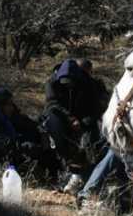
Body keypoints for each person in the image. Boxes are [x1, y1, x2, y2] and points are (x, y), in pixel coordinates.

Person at [42, 59, 104, 194]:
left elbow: (94, 107)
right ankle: (64, 168)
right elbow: (52, 104)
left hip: (82, 117)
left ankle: (88, 172)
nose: (68, 86)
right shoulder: (52, 83)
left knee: (90, 138)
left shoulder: (88, 83)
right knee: (54, 124)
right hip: (60, 116)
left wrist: (82, 123)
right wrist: (70, 119)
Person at [0, 87, 58, 179]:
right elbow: (8, 146)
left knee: (35, 136)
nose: (12, 107)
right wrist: (29, 147)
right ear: (1, 105)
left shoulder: (3, 112)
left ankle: (57, 172)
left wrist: (41, 132)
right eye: (9, 104)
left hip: (12, 148)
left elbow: (26, 122)